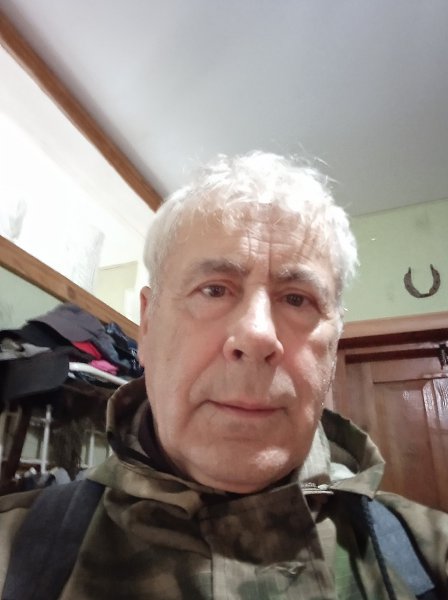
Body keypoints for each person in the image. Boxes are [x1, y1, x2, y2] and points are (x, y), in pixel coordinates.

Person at [0, 151, 447, 599]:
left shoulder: (427, 554)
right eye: (214, 290)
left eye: (297, 299)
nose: (257, 335)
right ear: (148, 325)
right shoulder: (13, 551)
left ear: (333, 346)